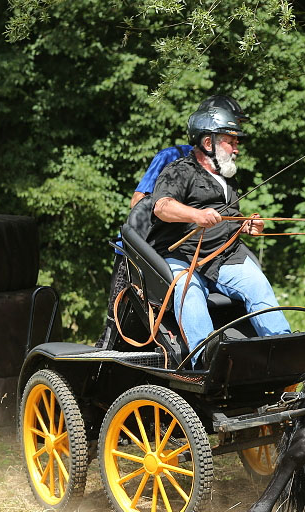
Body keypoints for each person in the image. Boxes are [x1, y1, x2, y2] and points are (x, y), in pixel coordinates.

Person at [96, 95, 250, 349]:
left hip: (203, 251)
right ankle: (106, 346)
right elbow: (140, 202)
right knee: (119, 317)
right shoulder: (173, 158)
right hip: (147, 249)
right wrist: (188, 216)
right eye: (229, 129)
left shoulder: (222, 166)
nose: (235, 141)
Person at [145, 105, 290, 366]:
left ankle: (283, 353)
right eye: (230, 141)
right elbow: (162, 206)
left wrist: (246, 226)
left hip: (224, 255)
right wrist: (195, 215)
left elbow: (228, 219)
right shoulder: (179, 171)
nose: (236, 148)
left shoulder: (228, 178)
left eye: (237, 142)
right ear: (207, 142)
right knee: (188, 291)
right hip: (181, 257)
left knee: (258, 284)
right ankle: (206, 362)